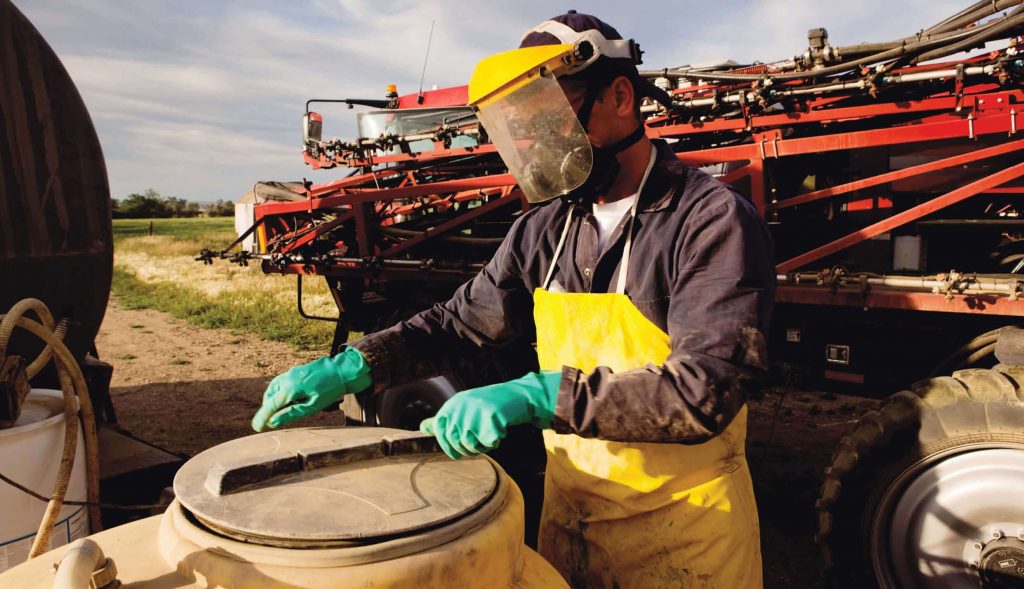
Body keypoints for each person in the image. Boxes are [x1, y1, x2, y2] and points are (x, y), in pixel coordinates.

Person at [252, 11, 774, 588]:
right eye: (525, 124)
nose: (537, 142)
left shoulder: (707, 220)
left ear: (620, 96)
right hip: (573, 519)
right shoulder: (545, 228)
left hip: (686, 534)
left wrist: (538, 393)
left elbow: (704, 390)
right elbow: (458, 325)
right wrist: (355, 365)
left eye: (552, 117)